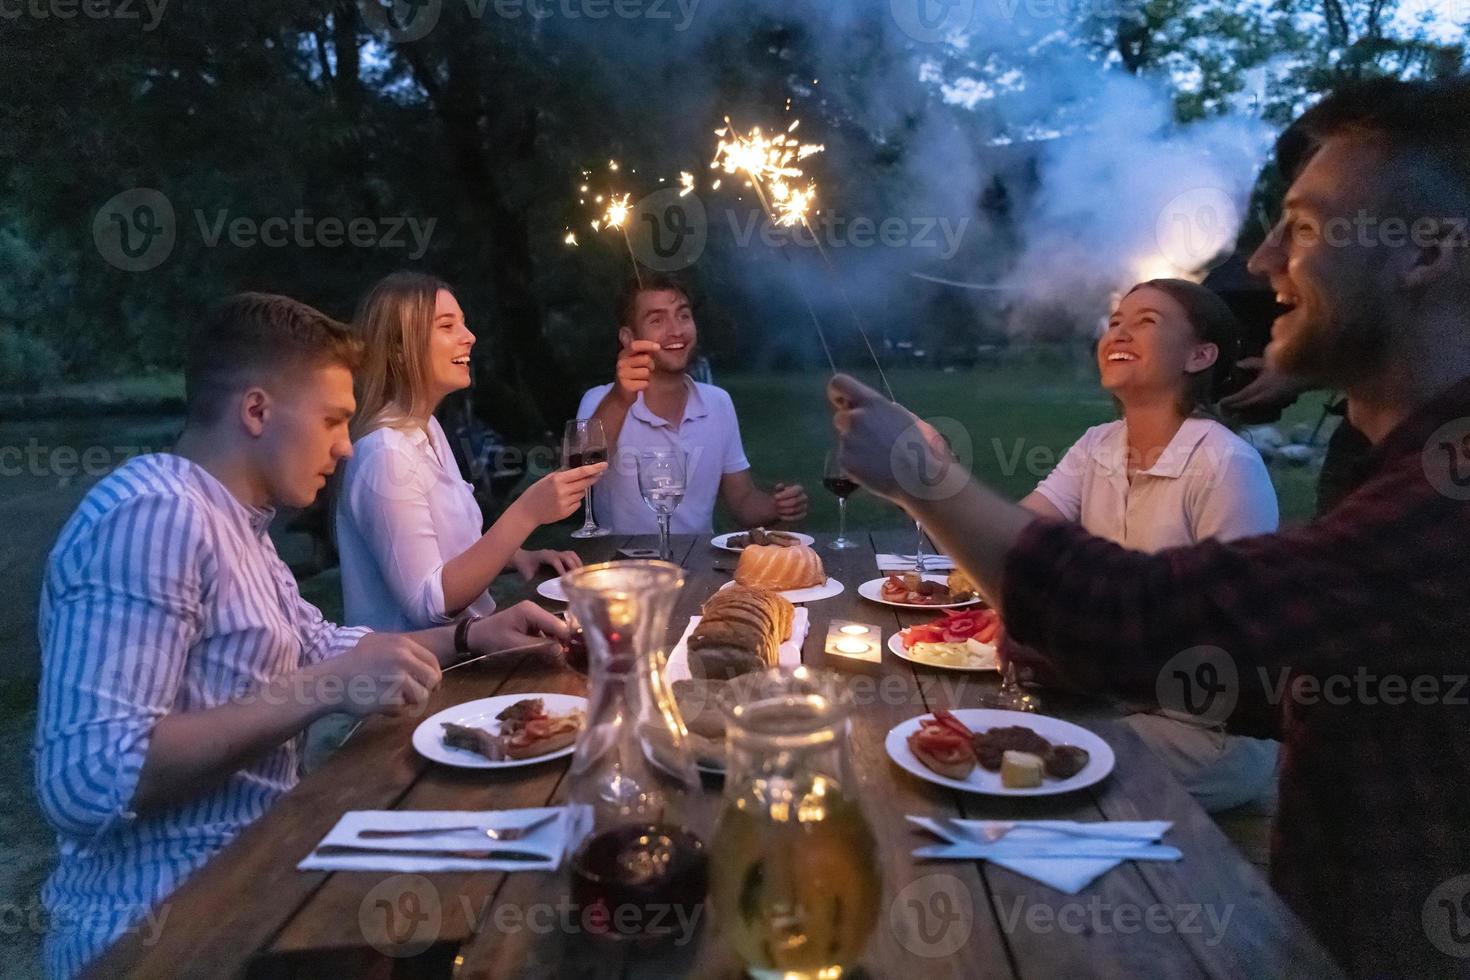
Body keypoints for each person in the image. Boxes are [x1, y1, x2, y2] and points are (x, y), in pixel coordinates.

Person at [829, 76, 1470, 978]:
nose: (1260, 261)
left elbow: (1180, 621)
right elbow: (1299, 669)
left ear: (1427, 253)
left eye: (1308, 227)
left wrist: (928, 479)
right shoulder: (1392, 460)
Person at [33, 293, 570, 979]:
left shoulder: (237, 526)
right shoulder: (153, 516)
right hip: (167, 933)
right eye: (334, 420)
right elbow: (88, 779)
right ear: (256, 411)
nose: (347, 446)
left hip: (261, 878)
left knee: (535, 848)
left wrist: (473, 636)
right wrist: (322, 690)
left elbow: (321, 644)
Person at [1020, 278, 1279, 812]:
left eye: (1147, 321)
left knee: (1021, 766)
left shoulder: (1225, 465)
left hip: (1207, 731)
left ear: (1200, 355)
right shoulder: (1099, 445)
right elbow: (1017, 535)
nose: (1120, 330)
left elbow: (1232, 635)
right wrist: (935, 480)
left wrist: (1078, 645)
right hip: (1111, 702)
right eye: (1116, 320)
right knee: (990, 733)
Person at [336, 272, 605, 631]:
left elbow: (442, 546)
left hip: (470, 653)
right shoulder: (385, 454)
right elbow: (429, 604)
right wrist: (527, 512)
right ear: (399, 350)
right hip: (427, 679)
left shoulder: (427, 429)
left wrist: (516, 557)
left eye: (464, 323)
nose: (470, 337)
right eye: (447, 326)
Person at [577, 271, 808, 535]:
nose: (676, 330)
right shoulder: (600, 400)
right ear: (628, 338)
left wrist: (776, 506)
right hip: (624, 569)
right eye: (657, 320)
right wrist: (621, 400)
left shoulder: (717, 402)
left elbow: (742, 501)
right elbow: (580, 472)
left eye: (683, 315)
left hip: (700, 567)